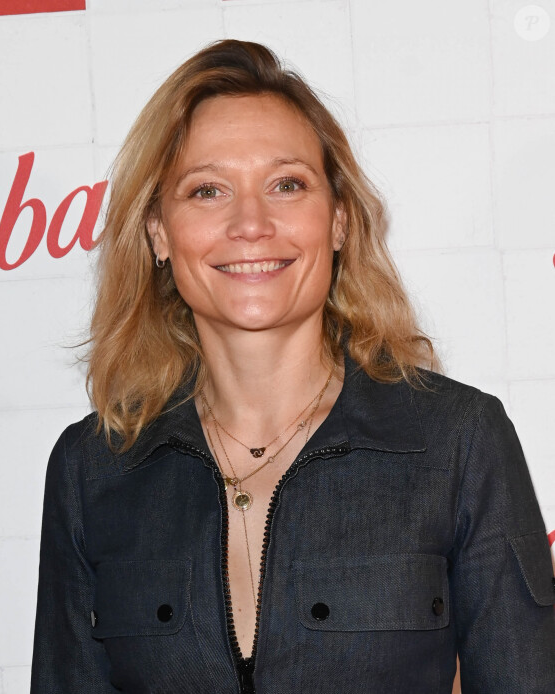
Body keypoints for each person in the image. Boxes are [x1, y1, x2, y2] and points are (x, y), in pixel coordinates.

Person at [31, 39, 555, 693]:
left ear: (337, 220)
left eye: (286, 184)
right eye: (207, 190)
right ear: (158, 232)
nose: (251, 222)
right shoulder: (92, 469)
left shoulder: (458, 440)